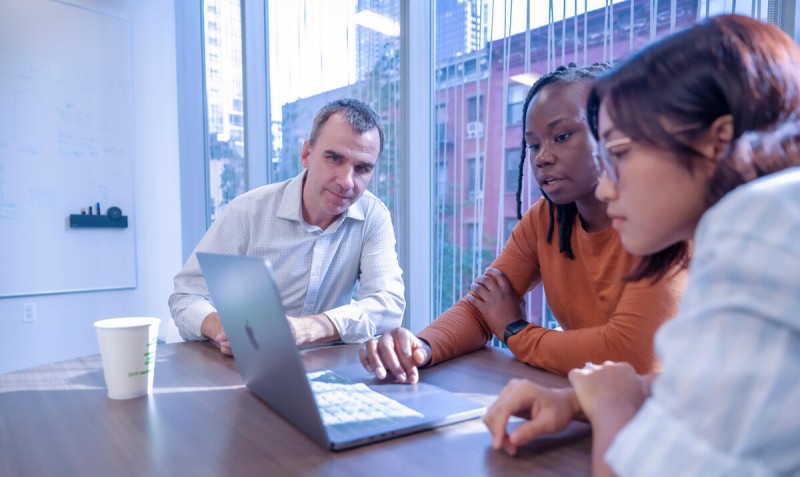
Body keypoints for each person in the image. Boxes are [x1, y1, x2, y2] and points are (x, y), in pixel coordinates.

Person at [483, 14, 800, 477]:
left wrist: (607, 407)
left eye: (621, 156)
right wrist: (575, 401)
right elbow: (715, 392)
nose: (607, 189)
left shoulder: (759, 225)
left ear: (716, 141)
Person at [360, 64, 686, 384]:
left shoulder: (663, 220)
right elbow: (483, 307)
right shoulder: (547, 219)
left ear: (611, 134)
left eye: (561, 136)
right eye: (533, 144)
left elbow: (630, 354)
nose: (542, 156)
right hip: (593, 402)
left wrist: (516, 331)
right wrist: (421, 348)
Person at [169, 99, 405, 355]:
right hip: (248, 364)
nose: (347, 182)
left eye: (362, 168)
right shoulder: (247, 211)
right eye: (334, 159)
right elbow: (186, 296)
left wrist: (312, 327)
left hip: (329, 367)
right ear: (306, 154)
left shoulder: (373, 215)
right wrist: (219, 326)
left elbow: (388, 305)